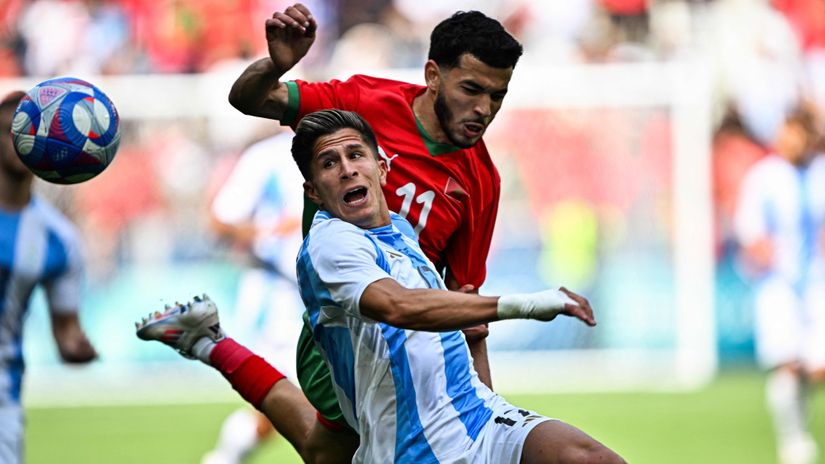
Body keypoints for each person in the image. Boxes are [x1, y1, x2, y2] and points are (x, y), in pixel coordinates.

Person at [137, 109, 625, 464]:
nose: (347, 167)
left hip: (480, 421)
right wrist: (527, 303)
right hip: (405, 442)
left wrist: (484, 389)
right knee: (321, 446)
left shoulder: (404, 234)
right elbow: (397, 306)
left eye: (356, 155)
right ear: (313, 191)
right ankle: (209, 344)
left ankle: (207, 340)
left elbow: (460, 329)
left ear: (382, 168)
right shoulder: (330, 243)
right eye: (329, 163)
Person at [227, 1, 517, 444]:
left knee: (326, 453)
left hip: (412, 349)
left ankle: (210, 345)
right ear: (433, 75)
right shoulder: (364, 104)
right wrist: (275, 65)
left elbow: (466, 307)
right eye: (472, 89)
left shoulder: (482, 181)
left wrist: (486, 420)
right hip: (340, 333)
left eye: (497, 95)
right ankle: (212, 346)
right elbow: (248, 99)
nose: (484, 108)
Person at [0, 91, 97, 463]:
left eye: (29, 130)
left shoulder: (58, 238)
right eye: (7, 130)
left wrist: (79, 348)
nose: (19, 139)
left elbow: (67, 334)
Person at [203, 131, 306, 464]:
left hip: (334, 297)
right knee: (294, 401)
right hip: (281, 302)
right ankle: (226, 457)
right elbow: (220, 220)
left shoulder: (346, 150)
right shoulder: (266, 157)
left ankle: (226, 456)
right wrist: (272, 231)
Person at [734, 107, 825, 464]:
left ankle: (799, 412)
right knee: (785, 361)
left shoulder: (820, 173)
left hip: (818, 282)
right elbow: (750, 230)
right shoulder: (764, 177)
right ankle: (793, 439)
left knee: (816, 366)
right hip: (778, 284)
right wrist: (764, 254)